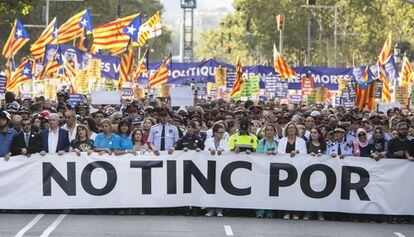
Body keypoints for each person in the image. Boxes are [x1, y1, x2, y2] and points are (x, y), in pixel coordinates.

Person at [204, 124, 229, 217]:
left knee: (220, 189)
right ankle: (210, 209)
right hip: (210, 167)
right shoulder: (208, 141)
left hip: (221, 167)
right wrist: (209, 149)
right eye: (220, 132)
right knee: (210, 189)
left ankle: (219, 210)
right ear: (215, 133)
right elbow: (204, 152)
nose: (222, 134)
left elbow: (228, 152)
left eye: (223, 133)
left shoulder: (225, 142)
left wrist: (222, 150)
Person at [255, 124, 278, 218]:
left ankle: (270, 211)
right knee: (262, 191)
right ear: (264, 132)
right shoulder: (261, 142)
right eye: (267, 130)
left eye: (271, 130)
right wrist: (265, 153)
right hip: (262, 170)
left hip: (274, 170)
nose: (269, 131)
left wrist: (276, 153)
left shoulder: (278, 142)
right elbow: (257, 154)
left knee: (272, 191)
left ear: (274, 132)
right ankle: (260, 211)